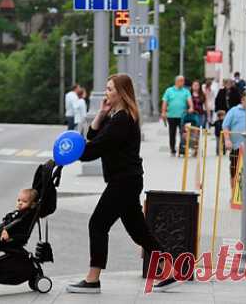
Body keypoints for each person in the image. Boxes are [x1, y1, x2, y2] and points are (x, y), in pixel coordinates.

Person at [67, 74, 179, 294]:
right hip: (128, 179)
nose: (106, 93)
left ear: (121, 92)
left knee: (98, 224)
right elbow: (93, 135)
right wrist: (100, 114)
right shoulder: (116, 116)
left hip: (124, 181)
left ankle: (93, 279)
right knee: (138, 231)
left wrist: (71, 152)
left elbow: (95, 148)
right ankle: (171, 267)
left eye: (110, 89)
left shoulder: (123, 120)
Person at [161, 75, 194, 156]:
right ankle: (172, 149)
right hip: (171, 116)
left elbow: (190, 101)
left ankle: (182, 149)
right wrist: (163, 112)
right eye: (181, 81)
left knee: (183, 133)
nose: (183, 82)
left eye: (183, 81)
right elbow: (165, 102)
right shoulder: (169, 90)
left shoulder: (186, 91)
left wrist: (191, 107)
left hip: (182, 116)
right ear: (176, 81)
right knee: (172, 133)